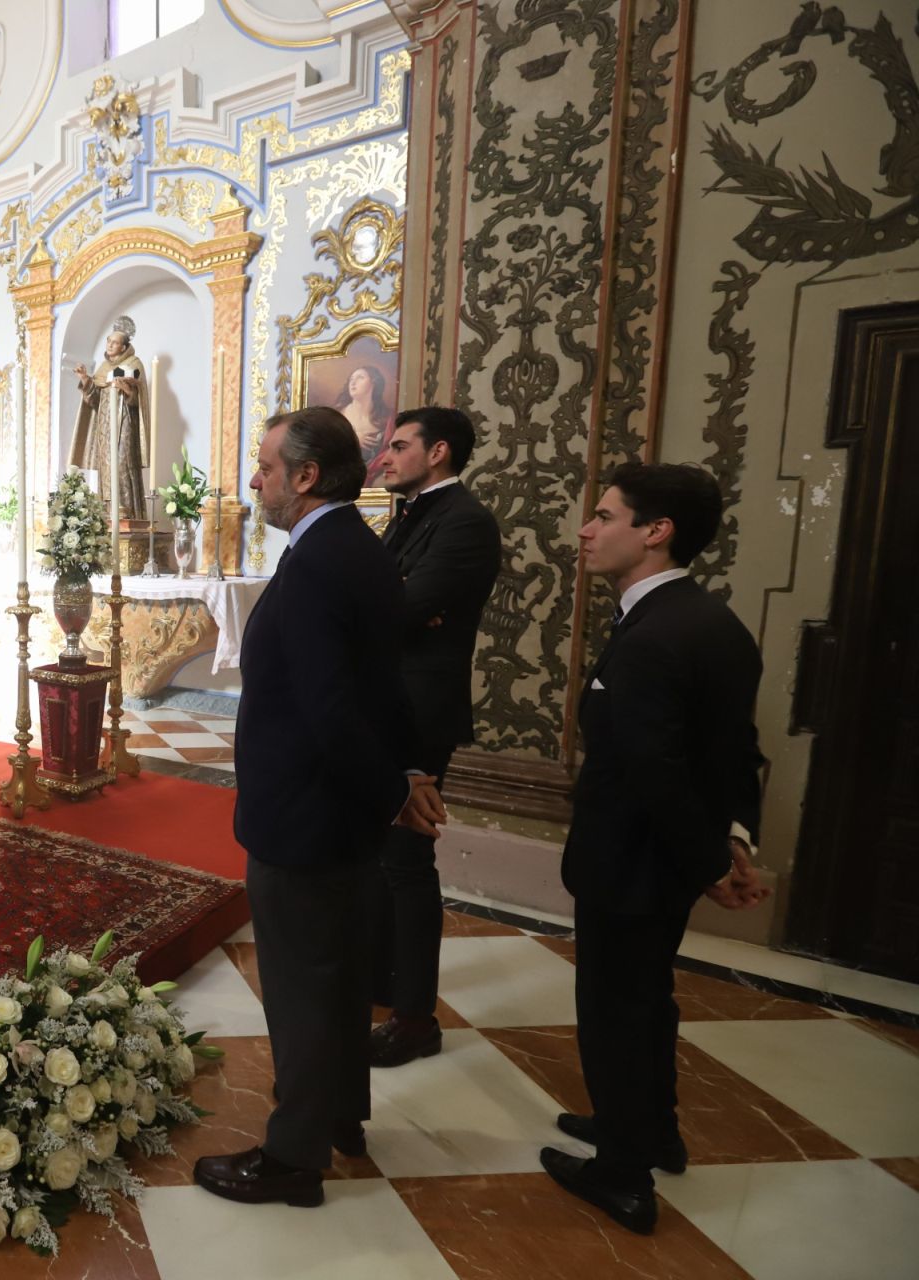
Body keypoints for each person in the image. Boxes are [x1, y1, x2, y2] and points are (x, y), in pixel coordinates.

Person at [192, 406, 444, 1208]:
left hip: (305, 817)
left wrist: (393, 793)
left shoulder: (316, 564)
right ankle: (342, 1118)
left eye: (266, 466)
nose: (254, 480)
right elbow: (386, 681)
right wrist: (400, 777)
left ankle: (294, 1159)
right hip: (339, 813)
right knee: (337, 979)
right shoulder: (357, 550)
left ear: (306, 477)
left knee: (303, 990)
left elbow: (332, 710)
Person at [540, 461, 768, 1234]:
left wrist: (712, 865)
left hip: (632, 863)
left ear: (655, 531)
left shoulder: (655, 637)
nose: (587, 528)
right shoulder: (714, 621)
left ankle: (623, 1176)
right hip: (665, 861)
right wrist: (733, 839)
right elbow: (738, 754)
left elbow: (653, 774)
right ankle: (649, 1129)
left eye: (605, 515)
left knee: (615, 1011)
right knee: (647, 1000)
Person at [367, 407, 503, 1066]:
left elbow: (401, 608)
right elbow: (384, 597)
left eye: (397, 446)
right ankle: (383, 978)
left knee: (406, 858)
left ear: (439, 451)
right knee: (379, 851)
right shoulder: (412, 514)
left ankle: (416, 1016)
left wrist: (385, 598)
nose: (383, 459)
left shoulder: (467, 522)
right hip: (388, 700)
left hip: (420, 712)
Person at [68, 316, 149, 520]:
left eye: (115, 342)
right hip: (104, 429)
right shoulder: (103, 369)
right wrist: (86, 380)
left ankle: (127, 512)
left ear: (124, 347)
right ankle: (108, 512)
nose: (110, 345)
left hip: (124, 426)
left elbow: (138, 404)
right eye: (108, 341)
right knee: (106, 468)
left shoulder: (133, 364)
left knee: (122, 464)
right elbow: (94, 400)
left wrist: (128, 392)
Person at [332, 364, 391, 476]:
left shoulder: (387, 417)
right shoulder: (336, 415)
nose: (353, 383)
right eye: (351, 379)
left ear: (374, 383)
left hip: (375, 477)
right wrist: (352, 440)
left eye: (360, 378)